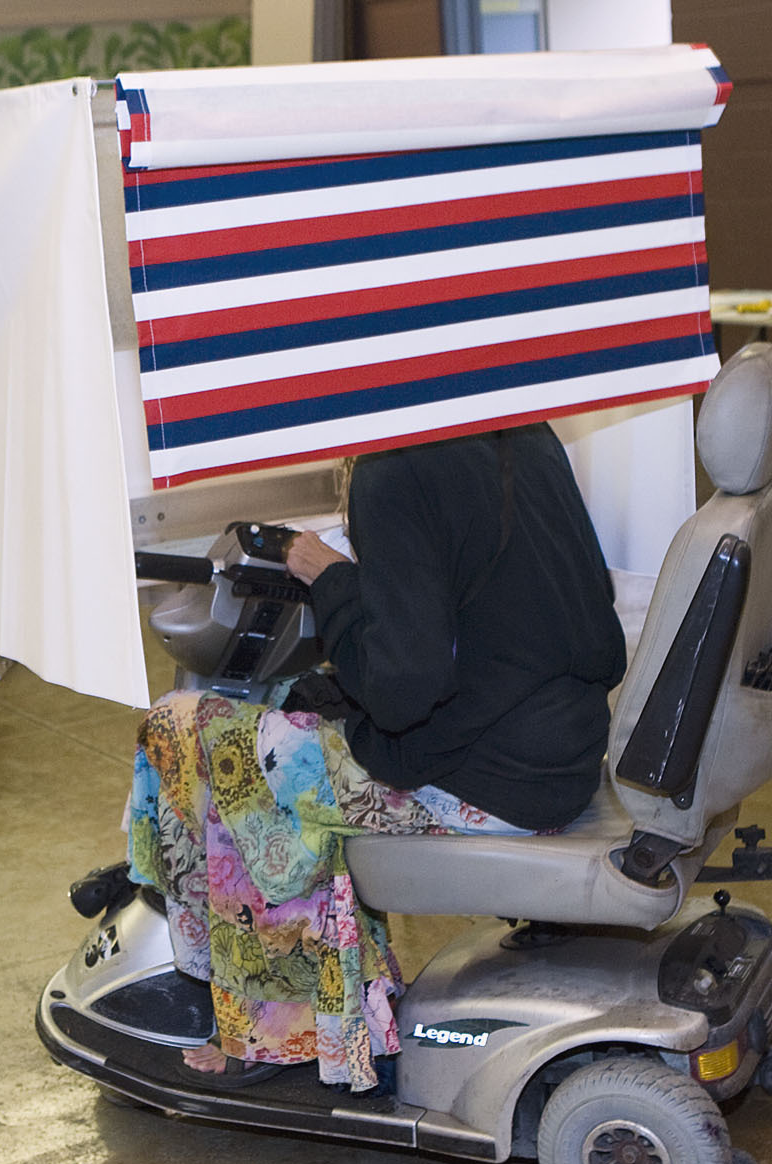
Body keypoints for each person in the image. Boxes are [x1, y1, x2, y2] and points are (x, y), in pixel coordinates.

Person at [126, 425, 627, 1092]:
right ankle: (325, 998)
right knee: (292, 714)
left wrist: (334, 581)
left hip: (478, 780)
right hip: (558, 751)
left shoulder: (391, 470)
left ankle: (282, 1027)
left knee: (191, 729)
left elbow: (401, 692)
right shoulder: (524, 430)